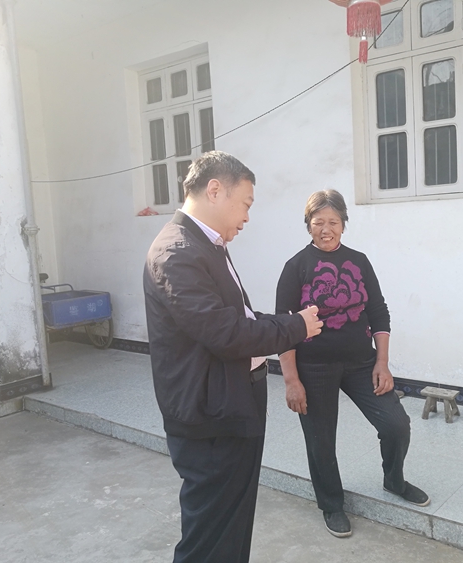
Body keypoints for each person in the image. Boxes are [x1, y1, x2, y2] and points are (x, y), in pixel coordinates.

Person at [143, 151, 323, 563]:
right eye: (245, 203)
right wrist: (295, 327)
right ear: (214, 190)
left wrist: (289, 321)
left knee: (232, 525)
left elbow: (240, 318)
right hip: (210, 418)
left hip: (232, 403)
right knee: (209, 536)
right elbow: (225, 333)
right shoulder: (177, 252)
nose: (246, 217)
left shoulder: (208, 246)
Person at [275, 189, 429, 538]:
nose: (326, 229)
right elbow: (284, 328)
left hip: (362, 363)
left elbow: (378, 312)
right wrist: (291, 380)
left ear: (343, 224)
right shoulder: (296, 267)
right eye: (318, 223)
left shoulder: (359, 261)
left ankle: (394, 480)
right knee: (320, 440)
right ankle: (331, 504)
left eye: (333, 222)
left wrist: (382, 362)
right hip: (314, 368)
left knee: (396, 425)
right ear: (308, 226)